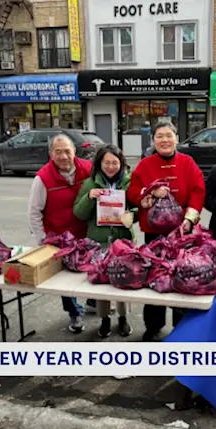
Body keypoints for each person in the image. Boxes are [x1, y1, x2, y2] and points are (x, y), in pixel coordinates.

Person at [127, 122, 206, 342]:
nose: (164, 140)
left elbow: (199, 191)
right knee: (154, 278)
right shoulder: (144, 165)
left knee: (183, 277)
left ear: (176, 138)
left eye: (168, 136)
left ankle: (181, 326)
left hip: (183, 233)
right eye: (159, 136)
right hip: (154, 233)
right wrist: (150, 192)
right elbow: (133, 192)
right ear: (153, 140)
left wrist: (190, 219)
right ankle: (153, 325)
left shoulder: (187, 163)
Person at [27, 134, 93, 333]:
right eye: (58, 152)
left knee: (93, 271)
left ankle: (94, 301)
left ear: (74, 151)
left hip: (86, 232)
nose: (63, 156)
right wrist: (42, 241)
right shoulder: (43, 178)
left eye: (67, 151)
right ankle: (74, 312)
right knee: (65, 281)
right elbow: (34, 212)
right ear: (51, 154)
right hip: (59, 238)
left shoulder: (88, 169)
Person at [72, 144, 136, 338]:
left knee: (123, 280)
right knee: (101, 283)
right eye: (106, 162)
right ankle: (104, 319)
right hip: (99, 242)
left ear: (121, 163)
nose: (110, 167)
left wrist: (131, 215)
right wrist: (89, 198)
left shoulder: (129, 182)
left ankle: (123, 318)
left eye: (115, 162)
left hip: (122, 241)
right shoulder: (90, 183)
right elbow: (79, 213)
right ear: (99, 163)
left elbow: (139, 209)